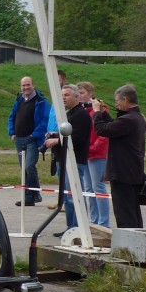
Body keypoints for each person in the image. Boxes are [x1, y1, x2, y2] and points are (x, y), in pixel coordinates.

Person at [93, 84, 146, 230]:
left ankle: (128, 246)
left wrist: (96, 112)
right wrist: (104, 113)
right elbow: (114, 126)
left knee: (125, 214)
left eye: (117, 101)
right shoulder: (136, 117)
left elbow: (102, 129)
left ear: (125, 99)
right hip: (131, 172)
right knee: (132, 211)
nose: (116, 103)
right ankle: (136, 243)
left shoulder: (129, 119)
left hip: (123, 173)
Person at [43, 84, 91, 234]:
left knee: (73, 196)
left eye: (67, 95)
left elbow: (76, 138)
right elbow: (67, 134)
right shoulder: (69, 114)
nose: (63, 97)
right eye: (62, 95)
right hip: (63, 161)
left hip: (74, 162)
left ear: (77, 97)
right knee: (67, 197)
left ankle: (78, 228)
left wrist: (56, 141)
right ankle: (71, 227)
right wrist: (55, 135)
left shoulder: (81, 115)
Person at [7, 76, 49, 206]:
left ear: (33, 85)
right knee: (24, 168)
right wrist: (12, 132)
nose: (26, 88)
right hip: (19, 139)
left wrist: (34, 135)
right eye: (23, 85)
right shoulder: (19, 100)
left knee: (29, 166)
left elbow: (45, 121)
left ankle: (34, 194)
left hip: (32, 140)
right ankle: (29, 197)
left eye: (28, 85)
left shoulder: (41, 101)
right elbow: (12, 116)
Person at [77, 81, 111, 227]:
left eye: (82, 93)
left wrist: (92, 148)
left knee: (99, 187)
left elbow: (104, 134)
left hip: (98, 154)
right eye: (78, 94)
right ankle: (93, 219)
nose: (80, 96)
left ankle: (104, 222)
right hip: (87, 153)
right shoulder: (82, 110)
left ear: (90, 93)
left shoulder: (100, 109)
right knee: (88, 188)